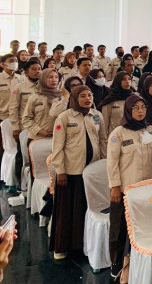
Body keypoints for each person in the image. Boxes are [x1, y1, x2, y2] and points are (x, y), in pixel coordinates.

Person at [107, 95, 152, 279]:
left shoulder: (150, 129)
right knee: (119, 228)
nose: (140, 111)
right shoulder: (118, 133)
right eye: (136, 108)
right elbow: (112, 162)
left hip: (146, 188)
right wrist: (115, 187)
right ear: (128, 111)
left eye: (143, 107)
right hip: (126, 190)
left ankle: (138, 258)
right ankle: (116, 263)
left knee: (144, 224)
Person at [51, 85, 108, 260]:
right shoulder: (64, 117)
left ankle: (84, 244)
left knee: (87, 208)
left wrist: (105, 164)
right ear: (75, 99)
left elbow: (103, 140)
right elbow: (57, 147)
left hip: (92, 172)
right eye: (82, 96)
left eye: (89, 95)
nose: (87, 98)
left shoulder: (97, 116)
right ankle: (62, 247)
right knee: (68, 211)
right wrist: (60, 171)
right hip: (71, 172)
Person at [22, 69, 61, 141]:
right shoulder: (35, 97)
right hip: (37, 138)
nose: (54, 80)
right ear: (43, 79)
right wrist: (39, 131)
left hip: (58, 138)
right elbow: (26, 119)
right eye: (50, 77)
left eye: (56, 77)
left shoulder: (62, 97)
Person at [99, 72, 134, 136]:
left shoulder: (134, 98)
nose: (127, 81)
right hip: (115, 137)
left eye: (129, 79)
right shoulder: (110, 99)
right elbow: (104, 124)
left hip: (131, 135)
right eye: (124, 79)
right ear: (118, 82)